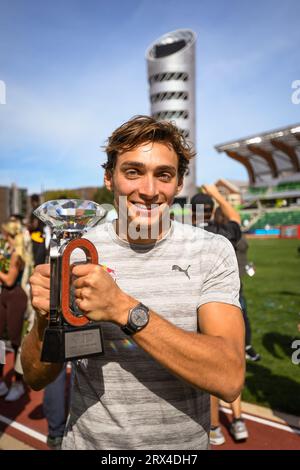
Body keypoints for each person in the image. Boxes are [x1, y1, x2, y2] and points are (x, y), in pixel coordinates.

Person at [21, 115, 245, 450]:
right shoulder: (76, 254)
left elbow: (229, 378)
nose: (150, 191)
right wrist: (45, 319)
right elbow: (35, 377)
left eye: (164, 175)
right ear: (109, 178)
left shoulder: (210, 250)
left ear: (179, 183)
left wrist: (123, 309)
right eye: (133, 171)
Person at [191, 187, 249, 445]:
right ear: (212, 211)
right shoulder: (224, 232)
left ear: (191, 213)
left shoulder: (186, 235)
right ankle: (237, 421)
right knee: (232, 361)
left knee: (210, 369)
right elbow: (235, 215)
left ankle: (213, 426)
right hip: (231, 303)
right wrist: (217, 194)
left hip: (199, 306)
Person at [0, 220, 28, 401]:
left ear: (11, 236)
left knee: (16, 339)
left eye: (5, 235)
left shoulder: (18, 255)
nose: (3, 237)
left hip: (16, 297)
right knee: (1, 339)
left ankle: (19, 382)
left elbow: (9, 280)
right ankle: (2, 380)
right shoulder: (8, 252)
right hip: (4, 296)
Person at [28, 194, 46, 266]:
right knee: (41, 261)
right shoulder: (42, 210)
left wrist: (27, 226)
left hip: (36, 238)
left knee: (37, 261)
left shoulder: (35, 210)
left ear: (32, 201)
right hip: (42, 237)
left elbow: (34, 225)